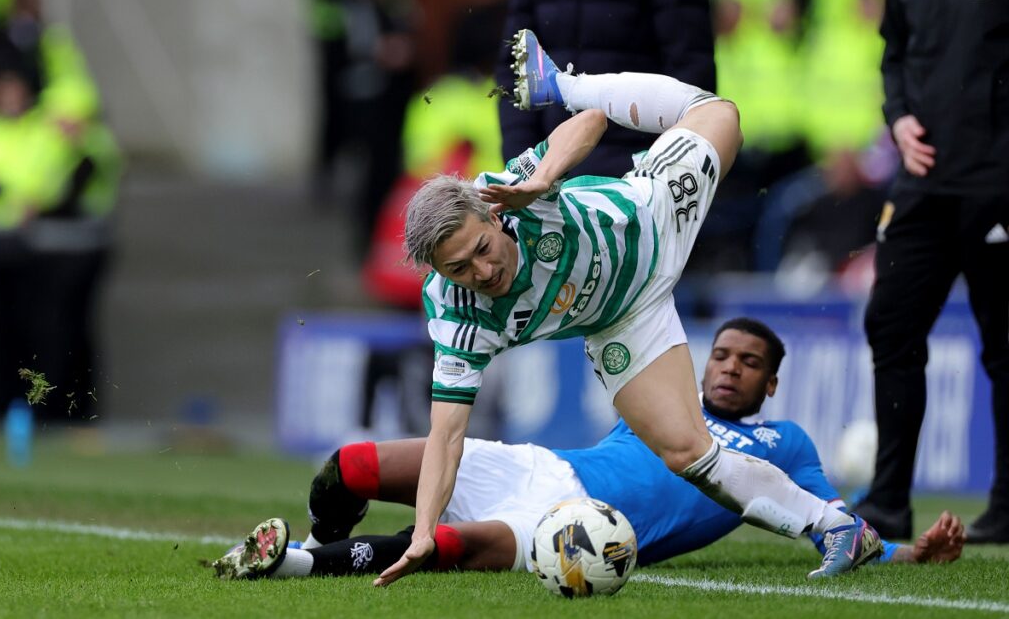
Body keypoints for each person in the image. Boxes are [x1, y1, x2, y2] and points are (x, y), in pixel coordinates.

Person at [343, 29, 880, 584]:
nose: (481, 272)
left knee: (720, 113)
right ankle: (838, 528)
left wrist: (545, 177)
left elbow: (593, 123)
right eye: (459, 268)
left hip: (656, 214)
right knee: (690, 455)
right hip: (624, 319)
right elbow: (446, 436)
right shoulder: (457, 316)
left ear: (491, 217)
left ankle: (561, 81)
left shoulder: (509, 191)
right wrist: (426, 530)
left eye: (482, 249)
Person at [212, 317, 965, 580]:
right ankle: (313, 539)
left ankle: (295, 566)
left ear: (771, 385)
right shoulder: (664, 399)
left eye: (749, 363)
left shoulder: (784, 443)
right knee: (354, 467)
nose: (730, 367)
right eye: (723, 355)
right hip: (541, 465)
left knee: (448, 545)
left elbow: (832, 523)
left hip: (580, 524)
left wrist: (912, 554)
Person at [853, 0, 1009, 544]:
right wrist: (898, 117)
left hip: (997, 185)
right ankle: (888, 502)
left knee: (1004, 343)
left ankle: (1008, 502)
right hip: (921, 187)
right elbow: (894, 56)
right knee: (889, 324)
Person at [495, 0, 715, 180]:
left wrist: (662, 182)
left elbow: (691, 75)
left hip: (637, 180)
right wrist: (523, 166)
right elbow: (515, 67)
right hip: (549, 177)